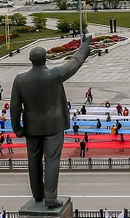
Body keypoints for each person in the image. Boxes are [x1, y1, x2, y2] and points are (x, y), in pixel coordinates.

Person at [10, 39, 93, 208]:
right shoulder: (54, 75)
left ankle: (38, 195)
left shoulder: (20, 80)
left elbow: (15, 107)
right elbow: (74, 63)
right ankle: (50, 197)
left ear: (30, 60)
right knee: (52, 160)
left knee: (33, 160)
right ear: (45, 59)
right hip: (54, 126)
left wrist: (17, 128)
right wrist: (84, 46)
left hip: (31, 127)